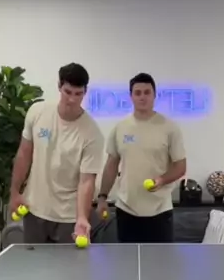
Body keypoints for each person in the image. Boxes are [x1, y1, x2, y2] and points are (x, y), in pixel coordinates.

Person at [10, 62, 104, 244]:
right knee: (33, 262)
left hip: (69, 218)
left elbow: (86, 181)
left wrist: (82, 217)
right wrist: (14, 192)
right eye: (68, 92)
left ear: (85, 92)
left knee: (68, 264)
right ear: (59, 86)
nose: (72, 99)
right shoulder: (37, 112)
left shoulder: (92, 133)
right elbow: (24, 154)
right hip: (34, 209)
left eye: (78, 94)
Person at [97, 73, 186, 243]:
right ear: (131, 96)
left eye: (147, 92)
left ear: (154, 95)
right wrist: (102, 197)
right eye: (137, 93)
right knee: (128, 259)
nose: (142, 97)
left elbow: (180, 166)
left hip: (160, 211)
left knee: (161, 260)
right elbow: (111, 165)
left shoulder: (170, 128)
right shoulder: (120, 128)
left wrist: (161, 180)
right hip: (126, 210)